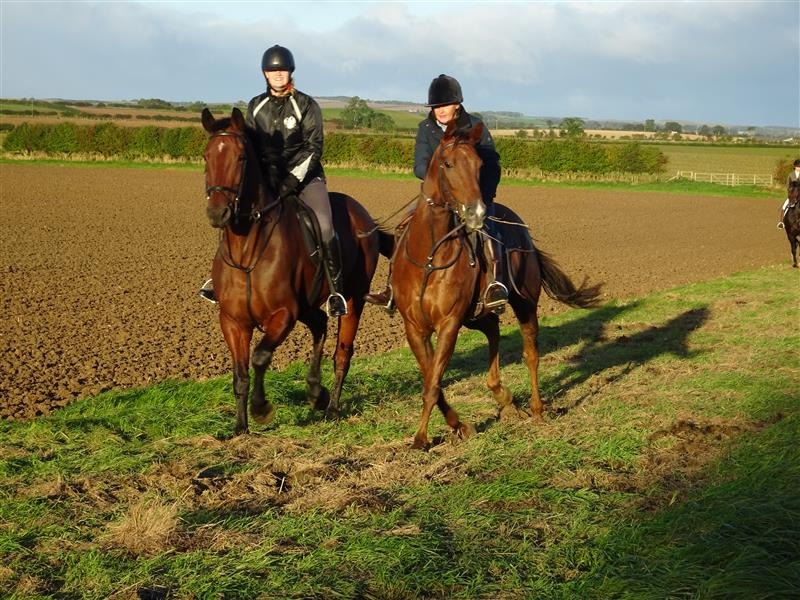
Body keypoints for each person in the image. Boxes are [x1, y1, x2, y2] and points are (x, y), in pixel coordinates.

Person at [200, 45, 347, 317]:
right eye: (272, 70)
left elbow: (314, 148)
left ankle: (335, 291)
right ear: (265, 74)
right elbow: (248, 146)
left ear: (290, 72)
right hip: (269, 178)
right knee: (236, 215)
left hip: (306, 178)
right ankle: (218, 279)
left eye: (282, 70)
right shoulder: (256, 106)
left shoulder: (306, 105)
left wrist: (292, 179)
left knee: (325, 225)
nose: (278, 74)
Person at [365, 73, 508, 312]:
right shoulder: (425, 128)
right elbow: (419, 165)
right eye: (436, 106)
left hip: (471, 197)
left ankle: (494, 284)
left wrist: (483, 197)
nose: (440, 110)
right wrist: (440, 181)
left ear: (457, 104)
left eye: (445, 105)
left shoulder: (475, 127)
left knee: (487, 232)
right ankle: (391, 288)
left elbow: (491, 165)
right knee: (403, 228)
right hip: (436, 198)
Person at [778, 158, 800, 229]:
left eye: (799, 166)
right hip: (793, 194)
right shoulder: (791, 175)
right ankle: (781, 222)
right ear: (795, 166)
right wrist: (791, 191)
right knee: (784, 206)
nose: (798, 168)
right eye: (797, 166)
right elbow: (788, 185)